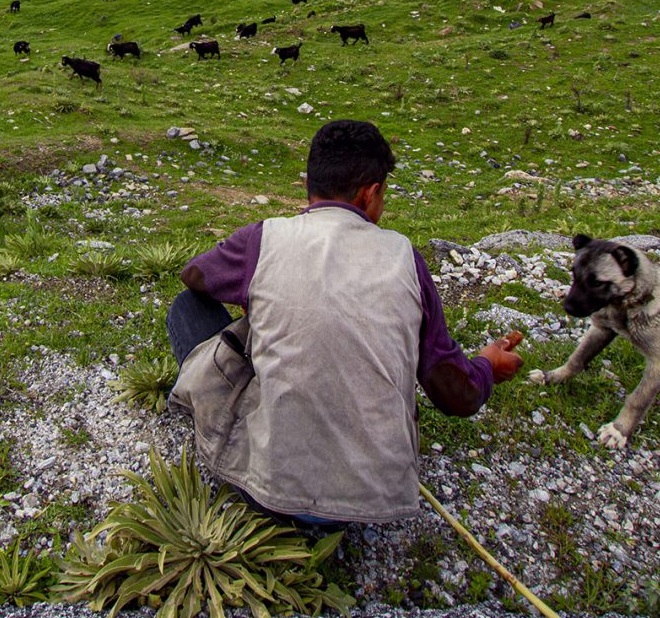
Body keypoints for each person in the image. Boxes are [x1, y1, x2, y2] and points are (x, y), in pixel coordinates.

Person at [167, 119, 523, 526]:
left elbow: (194, 277)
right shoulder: (405, 258)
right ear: (370, 193)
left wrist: (258, 301)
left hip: (266, 491)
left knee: (187, 309)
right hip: (370, 501)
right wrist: (487, 366)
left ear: (308, 183)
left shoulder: (265, 238)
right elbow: (455, 396)